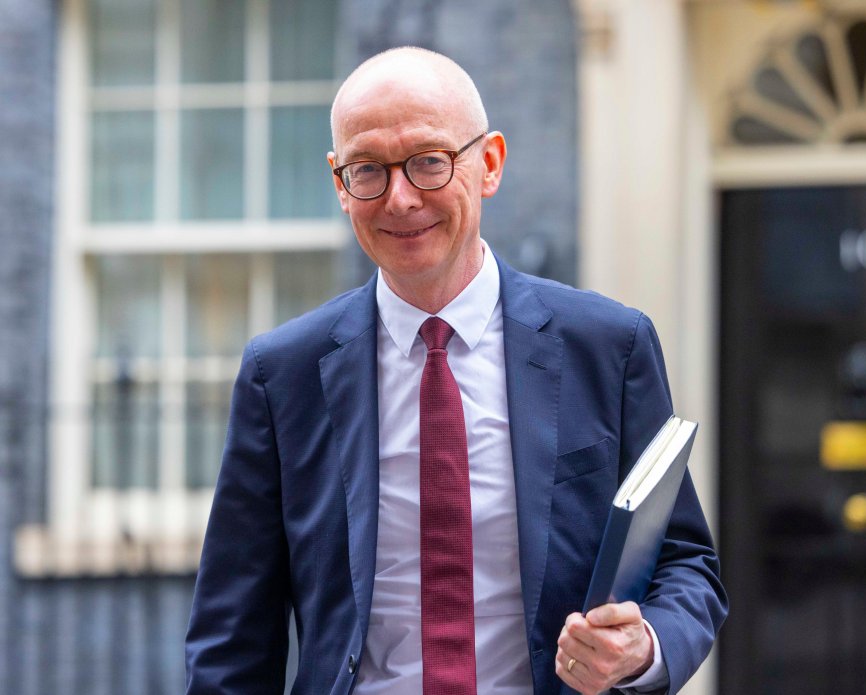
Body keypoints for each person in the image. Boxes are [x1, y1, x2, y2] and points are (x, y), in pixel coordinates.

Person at [185, 46, 726, 695]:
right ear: (339, 183)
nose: (401, 198)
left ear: (489, 162)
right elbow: (232, 632)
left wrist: (643, 648)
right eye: (367, 170)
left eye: (428, 162)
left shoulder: (609, 345)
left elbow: (686, 563)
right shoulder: (283, 375)